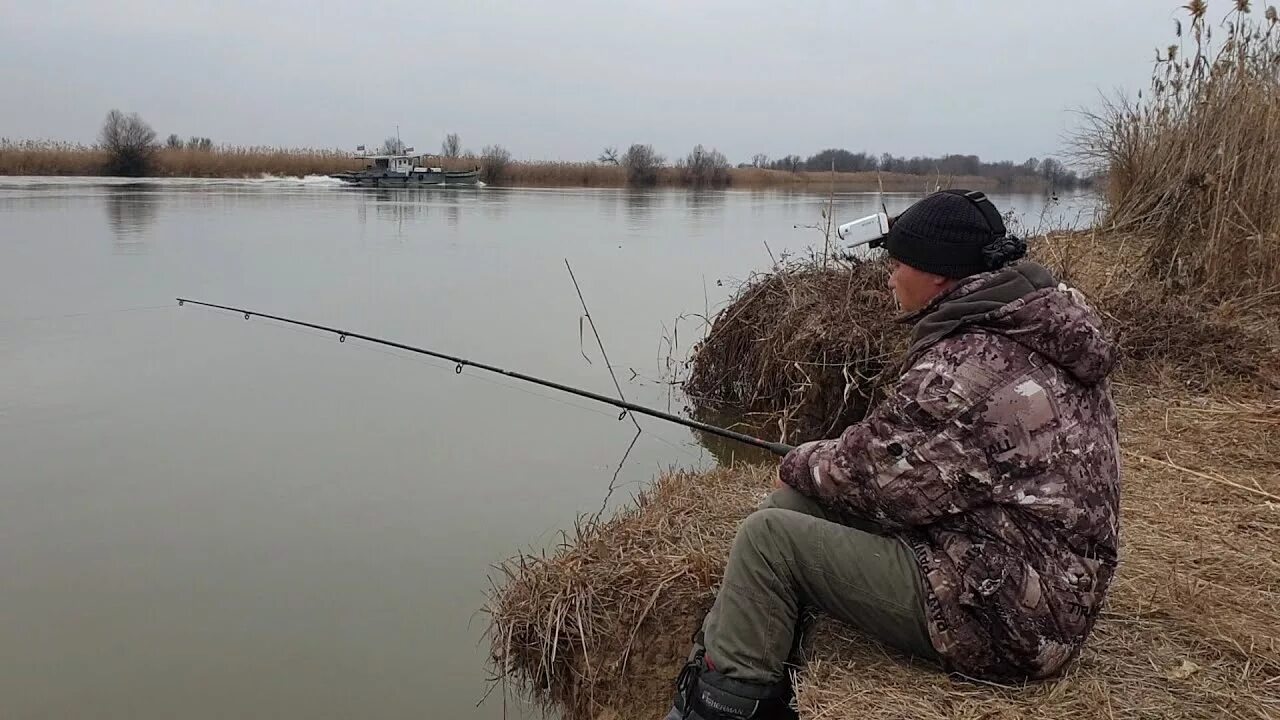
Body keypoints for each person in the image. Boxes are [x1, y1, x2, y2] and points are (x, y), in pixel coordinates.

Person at [664, 190, 1121, 720]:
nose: (888, 275)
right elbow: (904, 464)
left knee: (767, 540)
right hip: (1036, 579)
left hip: (1012, 616)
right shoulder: (1028, 328)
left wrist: (798, 460)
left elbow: (865, 476)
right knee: (787, 510)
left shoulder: (967, 367)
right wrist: (809, 478)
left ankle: (721, 709)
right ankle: (748, 672)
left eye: (897, 263)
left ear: (939, 277)